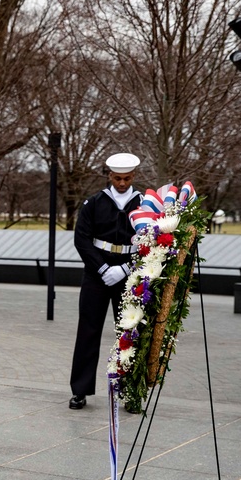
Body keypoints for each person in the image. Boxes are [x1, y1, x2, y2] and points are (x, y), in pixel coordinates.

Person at [68, 153, 142, 410]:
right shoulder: (94, 203)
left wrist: (125, 268)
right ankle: (80, 390)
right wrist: (102, 268)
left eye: (127, 178)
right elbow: (82, 240)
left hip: (129, 275)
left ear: (134, 177)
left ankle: (131, 391)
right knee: (88, 331)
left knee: (130, 334)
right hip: (96, 274)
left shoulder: (145, 204)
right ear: (109, 176)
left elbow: (152, 244)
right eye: (117, 178)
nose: (122, 183)